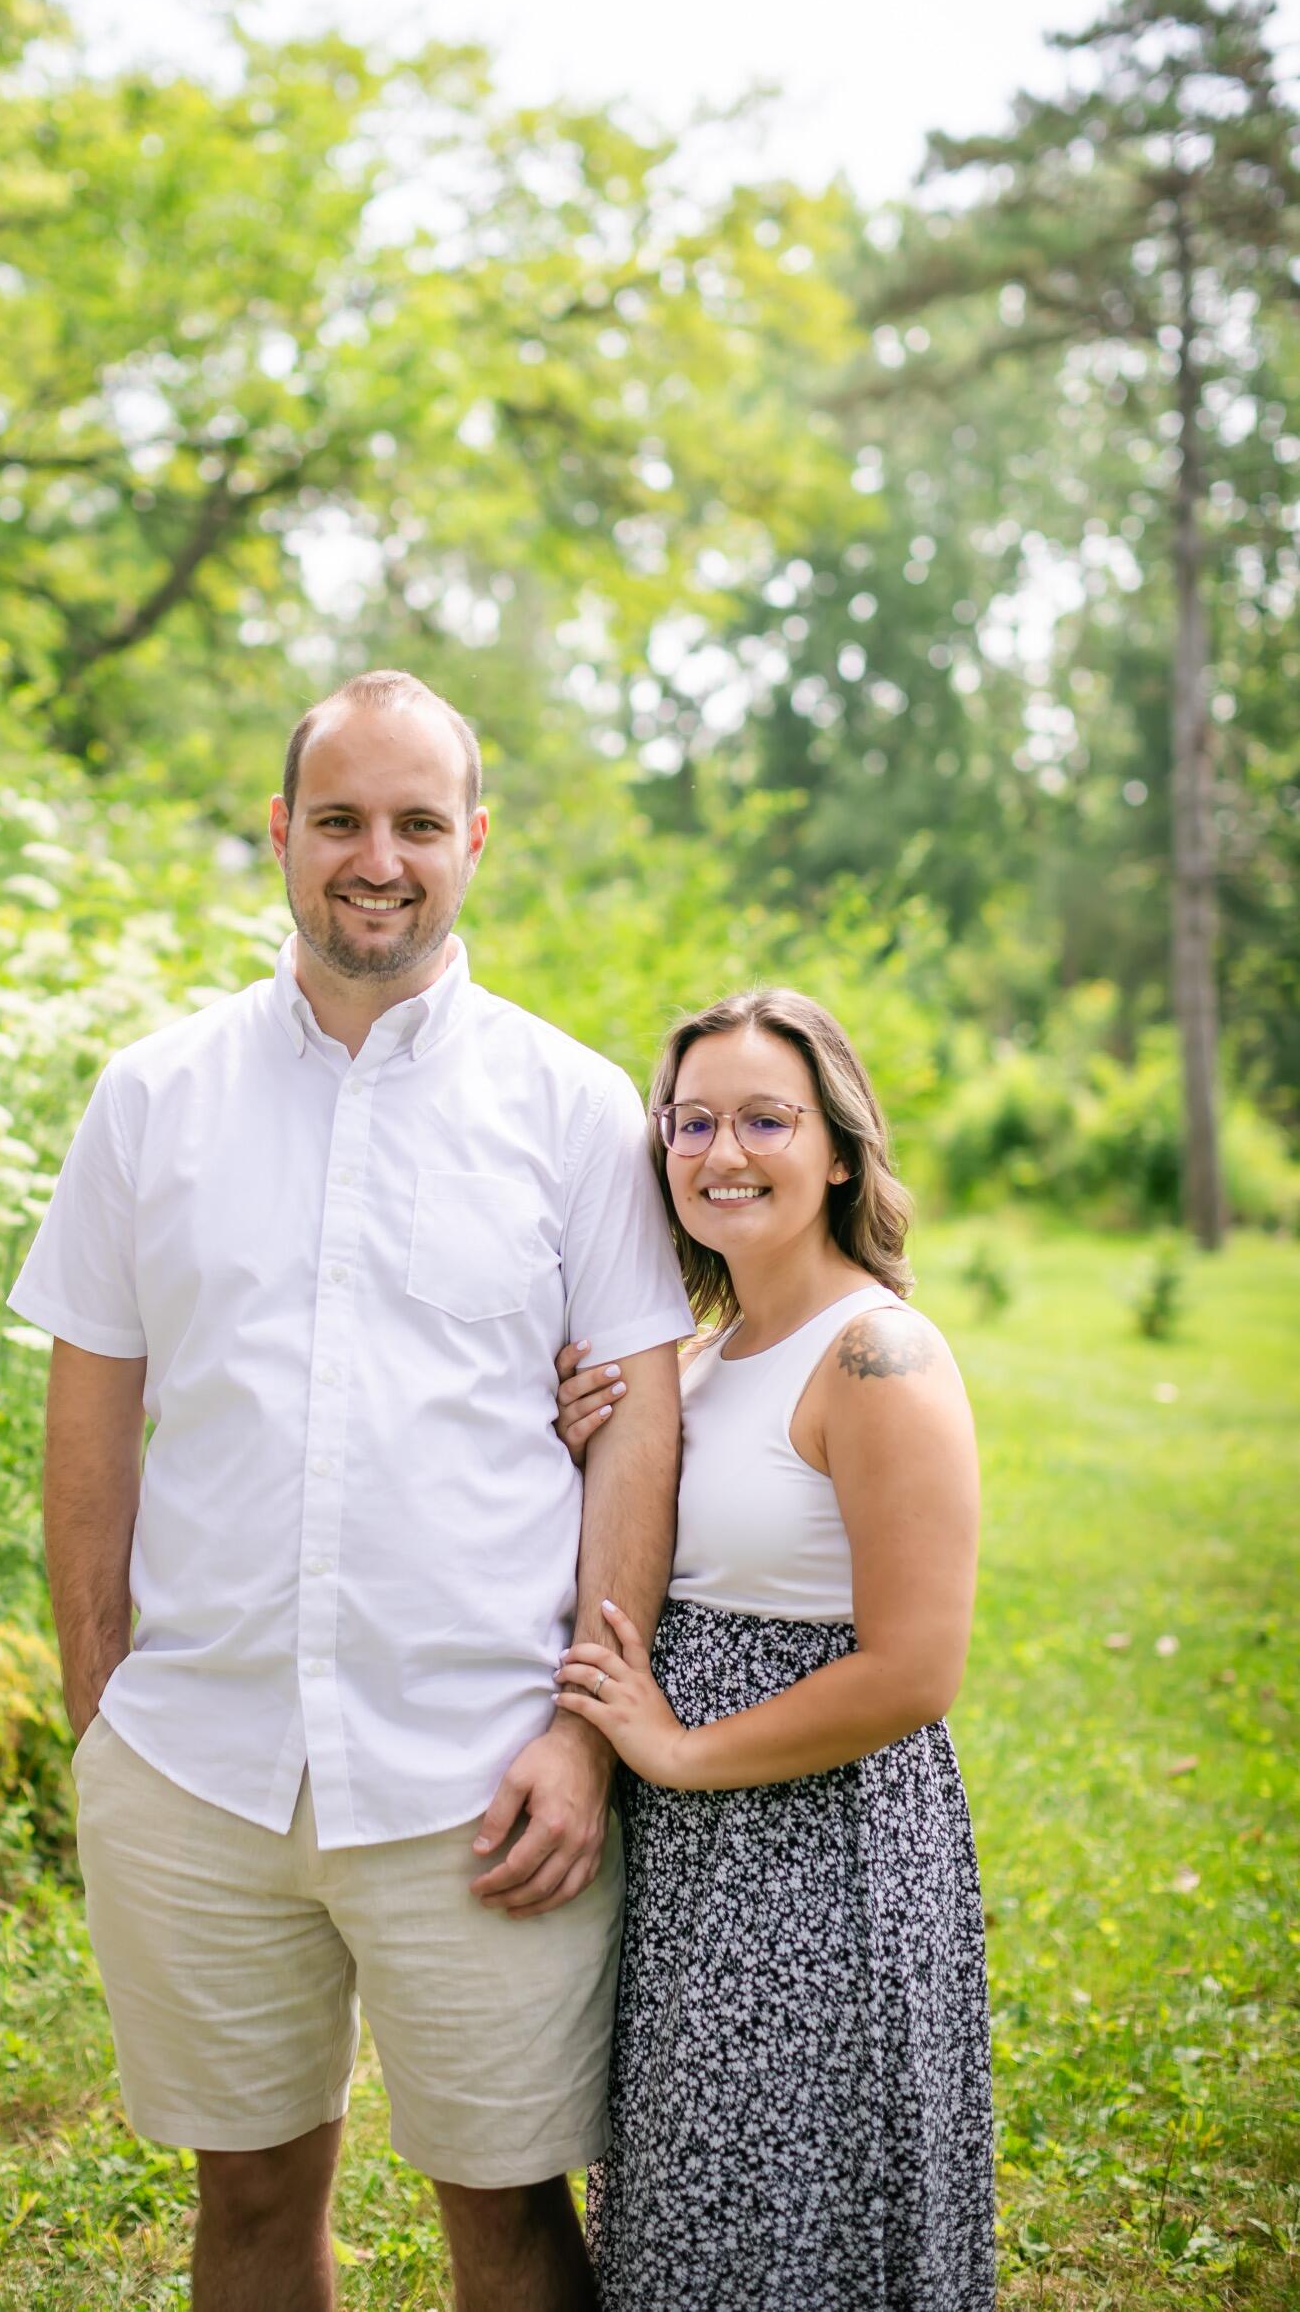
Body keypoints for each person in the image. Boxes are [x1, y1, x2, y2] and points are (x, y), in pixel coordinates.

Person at [6, 670, 693, 2312]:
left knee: (509, 2216)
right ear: (279, 834)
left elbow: (641, 1434)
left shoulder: (572, 1106)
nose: (373, 858)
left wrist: (583, 1737)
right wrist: (101, 1706)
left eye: (413, 823)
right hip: (197, 1765)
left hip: (481, 1779)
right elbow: (93, 1415)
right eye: (338, 820)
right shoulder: (152, 1096)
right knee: (244, 2200)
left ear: (474, 842)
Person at [551, 989, 996, 2312]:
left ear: (840, 1150)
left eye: (764, 1119)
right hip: (696, 1870)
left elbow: (916, 1670)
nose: (720, 1152)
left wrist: (681, 1752)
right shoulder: (694, 1359)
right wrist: (584, 1441)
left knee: (806, 2226)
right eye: (690, 1121)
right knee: (698, 2216)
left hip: (824, 1865)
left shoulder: (877, 1358)